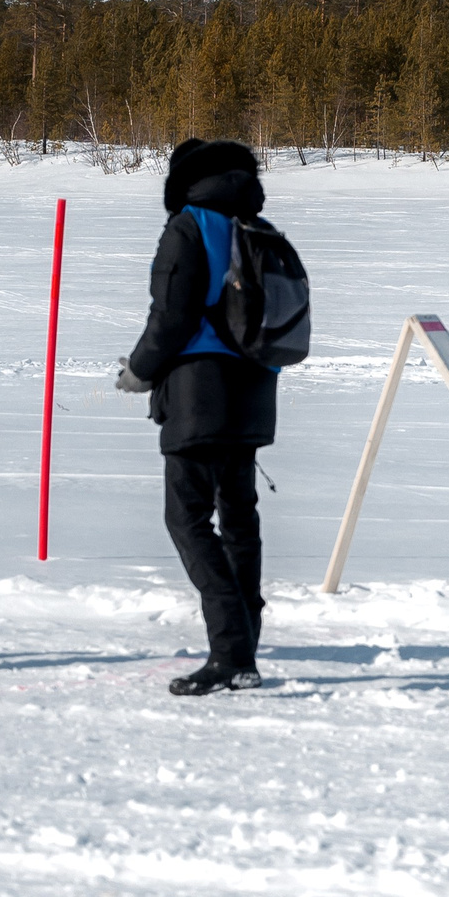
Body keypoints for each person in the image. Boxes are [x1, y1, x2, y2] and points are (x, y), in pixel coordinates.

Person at [119, 139, 280, 696]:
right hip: (255, 388)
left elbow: (172, 315)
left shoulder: (190, 225)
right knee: (238, 516)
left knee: (186, 519)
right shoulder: (255, 226)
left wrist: (139, 371)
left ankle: (231, 650)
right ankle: (243, 650)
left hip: (197, 394)